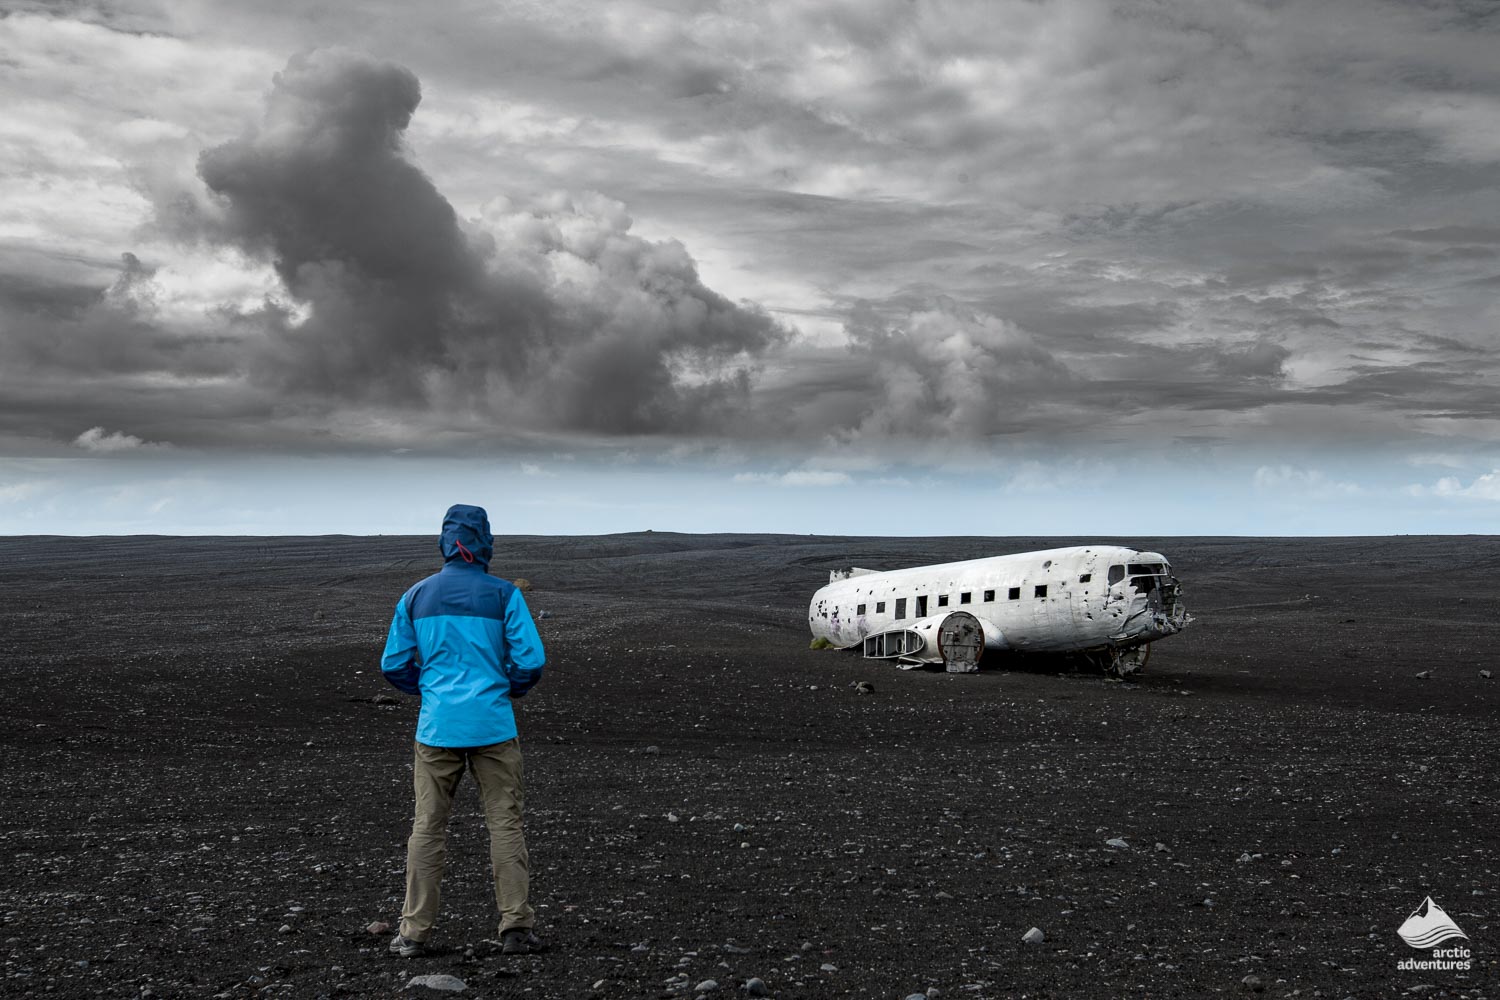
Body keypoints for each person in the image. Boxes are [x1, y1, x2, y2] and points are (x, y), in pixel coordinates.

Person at [380, 504, 547, 957]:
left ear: (444, 541)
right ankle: (515, 927)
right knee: (504, 824)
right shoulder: (503, 595)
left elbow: (393, 663)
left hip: (438, 729)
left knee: (427, 826)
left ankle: (414, 933)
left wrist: (430, 690)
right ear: (485, 541)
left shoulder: (416, 595)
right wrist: (505, 688)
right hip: (493, 725)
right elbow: (531, 661)